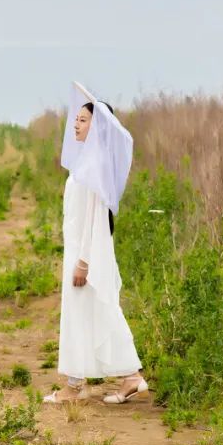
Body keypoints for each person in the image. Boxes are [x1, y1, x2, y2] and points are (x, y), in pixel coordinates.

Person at [43, 81, 147, 405]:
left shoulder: (95, 166)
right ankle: (82, 383)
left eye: (84, 120)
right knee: (87, 314)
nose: (76, 124)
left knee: (101, 311)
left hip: (86, 254)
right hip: (79, 251)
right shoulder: (86, 162)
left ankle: (111, 380)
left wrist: (84, 261)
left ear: (98, 125)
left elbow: (93, 219)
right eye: (76, 119)